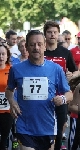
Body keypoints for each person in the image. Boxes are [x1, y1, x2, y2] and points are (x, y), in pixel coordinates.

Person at [5, 30, 73, 150]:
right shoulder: (16, 69)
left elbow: (69, 94)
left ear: (45, 45)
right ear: (26, 47)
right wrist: (12, 101)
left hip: (48, 127)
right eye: (32, 44)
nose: (36, 48)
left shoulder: (56, 69)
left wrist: (62, 98)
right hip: (24, 126)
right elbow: (9, 90)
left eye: (39, 44)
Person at [43, 21, 78, 150]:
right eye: (49, 32)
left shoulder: (65, 52)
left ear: (58, 34)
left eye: (55, 32)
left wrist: (72, 75)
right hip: (43, 96)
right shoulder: (40, 51)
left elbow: (75, 70)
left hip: (61, 96)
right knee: (44, 129)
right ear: (45, 34)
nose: (52, 35)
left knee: (59, 129)